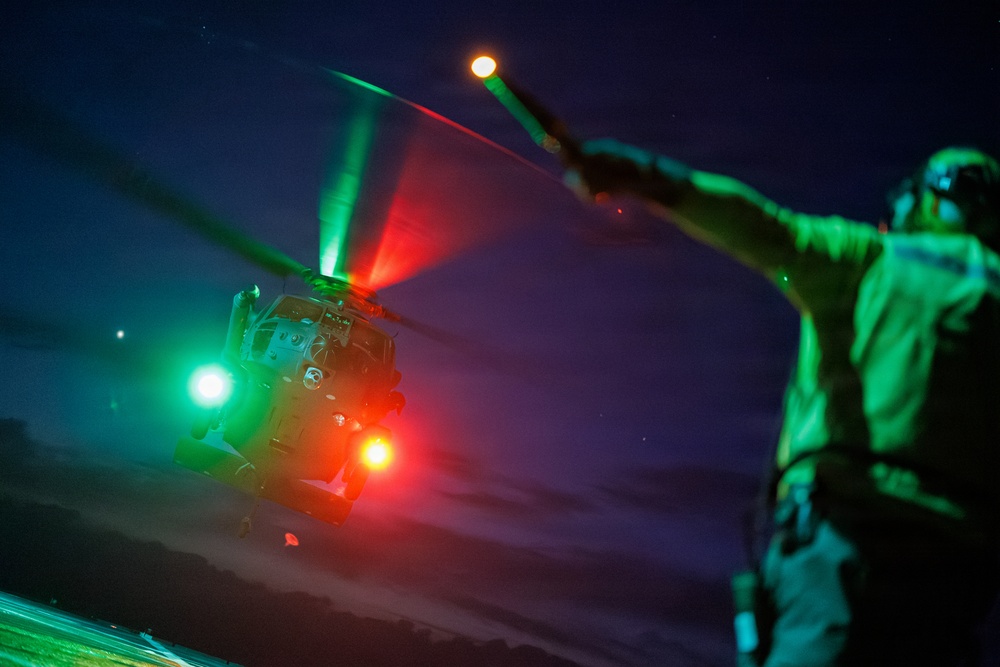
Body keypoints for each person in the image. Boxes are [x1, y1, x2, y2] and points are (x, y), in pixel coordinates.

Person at [563, 142, 1000, 665]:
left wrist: (652, 178)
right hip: (961, 572)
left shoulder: (870, 257)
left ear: (927, 200)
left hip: (844, 541)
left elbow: (761, 227)